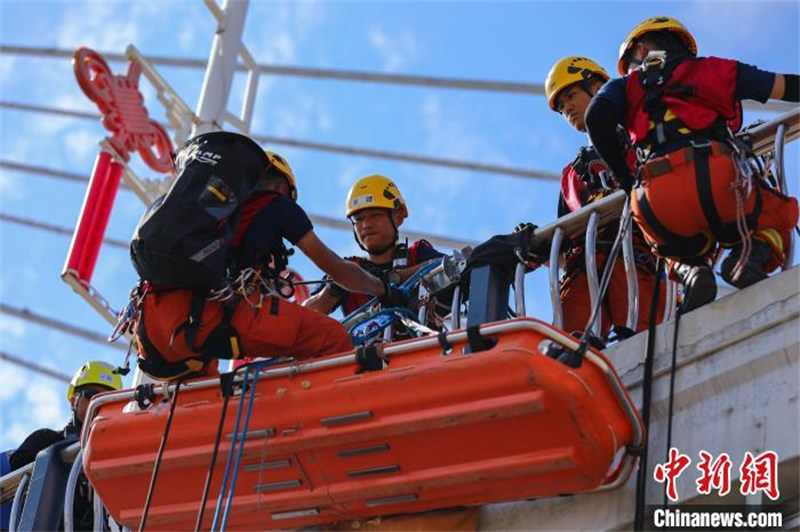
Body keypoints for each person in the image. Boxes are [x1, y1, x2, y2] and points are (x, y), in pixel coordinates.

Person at [133, 143, 407, 381]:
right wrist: (382, 288)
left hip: (153, 329)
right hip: (211, 317)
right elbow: (337, 270)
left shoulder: (204, 211)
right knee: (333, 338)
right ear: (281, 186)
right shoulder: (276, 205)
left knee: (206, 395)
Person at [585, 16, 799, 311]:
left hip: (653, 197)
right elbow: (783, 86)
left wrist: (627, 180)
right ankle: (746, 260)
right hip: (713, 175)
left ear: (643, 49)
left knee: (672, 246)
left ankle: (691, 270)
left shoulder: (623, 86)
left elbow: (595, 119)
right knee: (774, 214)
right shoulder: (710, 68)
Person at [538, 56, 664, 339]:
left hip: (636, 256)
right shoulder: (572, 173)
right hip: (585, 269)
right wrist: (534, 246)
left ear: (597, 87)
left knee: (646, 341)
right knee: (568, 347)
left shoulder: (641, 139)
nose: (566, 108)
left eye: (571, 95)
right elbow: (565, 236)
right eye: (560, 107)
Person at [303, 174, 443, 320]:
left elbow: (446, 265)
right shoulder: (347, 268)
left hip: (421, 341)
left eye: (375, 216)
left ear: (398, 216)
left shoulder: (417, 254)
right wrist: (333, 289)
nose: (366, 225)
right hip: (367, 343)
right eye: (359, 219)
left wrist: (390, 278)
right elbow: (305, 313)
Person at [8, 361, 123, 530]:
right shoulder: (46, 439)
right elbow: (18, 470)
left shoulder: (120, 454)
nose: (98, 404)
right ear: (73, 400)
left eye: (108, 400)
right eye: (91, 395)